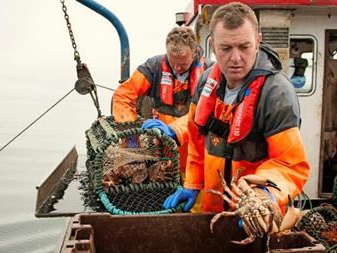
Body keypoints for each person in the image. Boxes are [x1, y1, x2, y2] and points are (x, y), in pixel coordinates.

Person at [163, 1, 310, 221]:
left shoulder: (276, 94)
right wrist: (193, 183)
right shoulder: (206, 82)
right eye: (226, 48)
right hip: (211, 211)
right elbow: (196, 139)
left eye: (244, 47)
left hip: (257, 214)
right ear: (212, 45)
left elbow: (290, 164)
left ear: (258, 41)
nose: (235, 58)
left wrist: (265, 194)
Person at [112, 26, 212, 174]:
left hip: (198, 153)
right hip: (163, 152)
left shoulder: (210, 72)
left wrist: (174, 130)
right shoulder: (153, 67)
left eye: (183, 64)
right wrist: (130, 133)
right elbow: (123, 95)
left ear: (195, 52)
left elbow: (205, 111)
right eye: (173, 63)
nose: (177, 68)